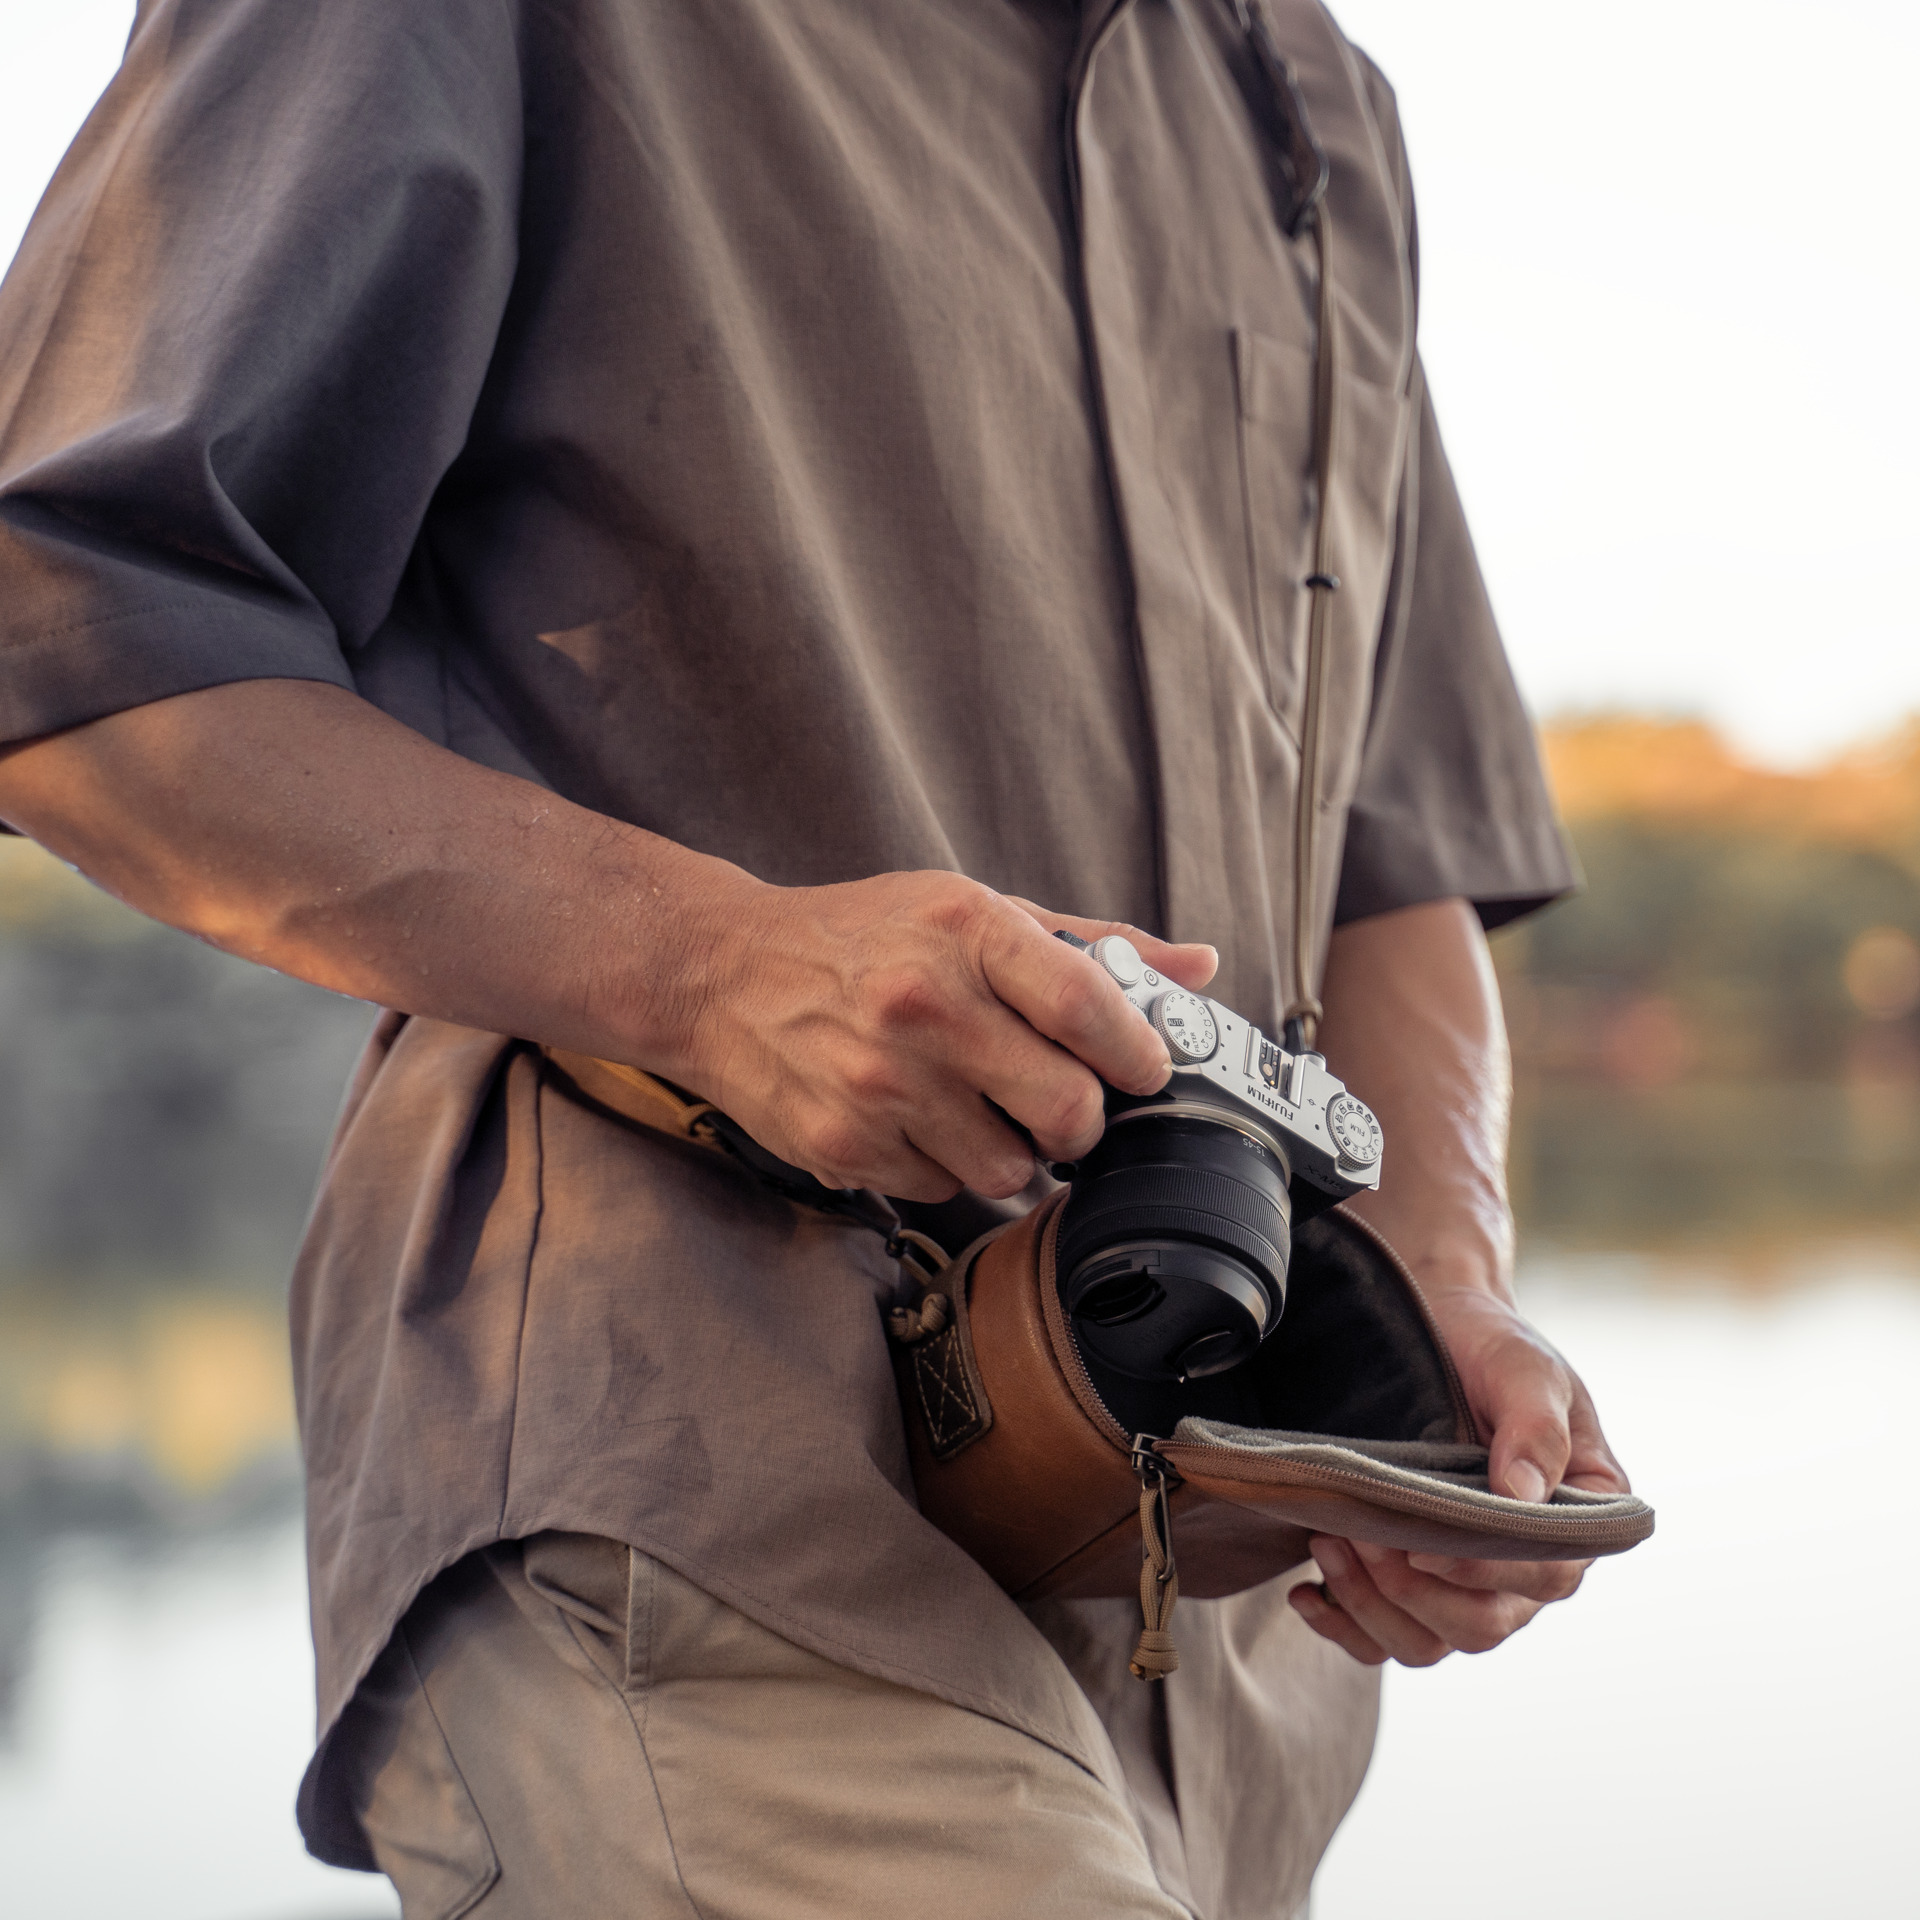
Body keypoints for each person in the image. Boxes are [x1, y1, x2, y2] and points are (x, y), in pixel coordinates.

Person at [0, 0, 1630, 1913]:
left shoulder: (1319, 101)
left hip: (1233, 1639)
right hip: (693, 1495)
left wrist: (1437, 1282)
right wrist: (714, 966)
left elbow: (1394, 849)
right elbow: (64, 634)